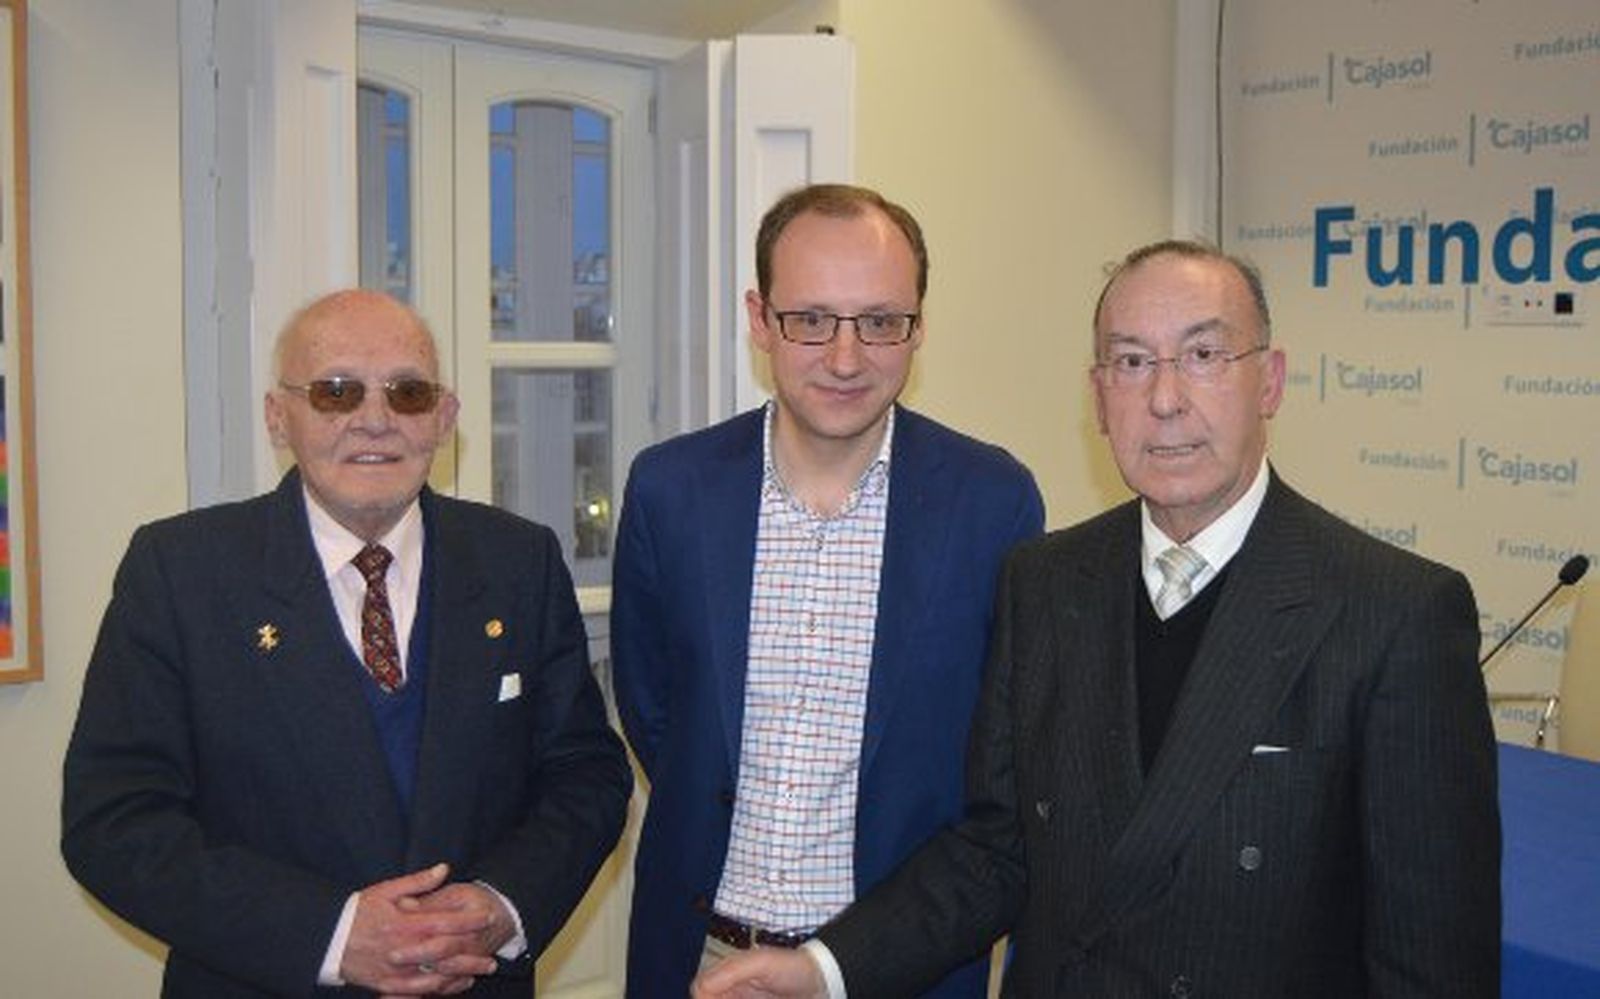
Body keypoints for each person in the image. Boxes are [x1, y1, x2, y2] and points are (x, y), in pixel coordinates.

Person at [696, 239, 1501, 998]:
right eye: (1131, 361)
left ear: (1271, 381)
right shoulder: (1043, 582)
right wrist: (824, 968)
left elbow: (1429, 965)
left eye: (1204, 355)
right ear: (1099, 399)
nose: (1165, 398)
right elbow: (995, 852)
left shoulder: (1395, 614)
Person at [62, 289, 632, 998]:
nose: (375, 419)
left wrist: (502, 903)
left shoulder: (520, 561)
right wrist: (330, 933)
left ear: (445, 417)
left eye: (409, 391)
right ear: (279, 416)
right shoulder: (181, 572)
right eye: (336, 391)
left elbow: (586, 773)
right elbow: (113, 824)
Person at [611, 183, 1044, 997]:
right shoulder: (671, 489)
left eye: (881, 321)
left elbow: (1001, 761)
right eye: (810, 319)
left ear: (918, 325)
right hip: (703, 959)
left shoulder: (993, 501)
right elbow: (655, 710)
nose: (846, 358)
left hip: (896, 965)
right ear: (758, 318)